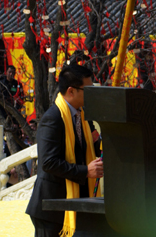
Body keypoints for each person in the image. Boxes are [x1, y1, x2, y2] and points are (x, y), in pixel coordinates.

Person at [26, 64, 103, 237]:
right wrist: (86, 171)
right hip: (52, 208)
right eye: (87, 90)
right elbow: (48, 162)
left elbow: (89, 150)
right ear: (71, 91)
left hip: (78, 203)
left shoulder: (83, 115)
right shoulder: (52, 118)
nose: (92, 95)